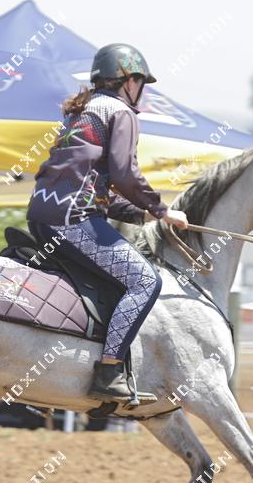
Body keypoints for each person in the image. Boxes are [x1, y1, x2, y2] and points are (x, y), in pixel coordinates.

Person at [26, 43, 190, 403]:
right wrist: (161, 209)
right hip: (72, 221)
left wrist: (140, 214)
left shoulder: (84, 110)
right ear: (129, 80)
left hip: (42, 215)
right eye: (141, 83)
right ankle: (109, 371)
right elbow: (124, 174)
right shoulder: (120, 112)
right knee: (144, 281)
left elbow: (91, 186)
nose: (141, 91)